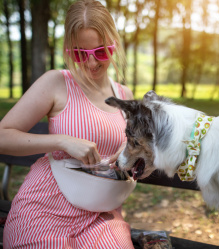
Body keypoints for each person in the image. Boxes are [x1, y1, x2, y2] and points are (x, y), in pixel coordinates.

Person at [0, 0, 135, 248]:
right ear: (68, 51)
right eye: (79, 54)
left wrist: (129, 156)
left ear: (113, 44)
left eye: (101, 52)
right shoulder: (56, 82)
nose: (92, 63)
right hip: (45, 207)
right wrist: (62, 141)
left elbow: (142, 153)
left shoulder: (124, 96)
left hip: (102, 214)